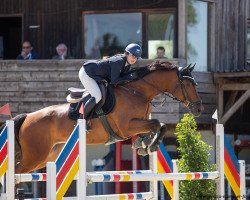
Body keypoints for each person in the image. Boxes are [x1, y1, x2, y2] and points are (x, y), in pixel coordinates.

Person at [79, 43, 142, 118]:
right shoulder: (118, 62)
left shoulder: (127, 64)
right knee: (97, 96)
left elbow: (122, 77)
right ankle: (82, 119)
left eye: (136, 58)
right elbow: (114, 81)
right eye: (133, 56)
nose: (134, 59)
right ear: (127, 53)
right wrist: (129, 77)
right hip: (87, 73)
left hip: (95, 74)